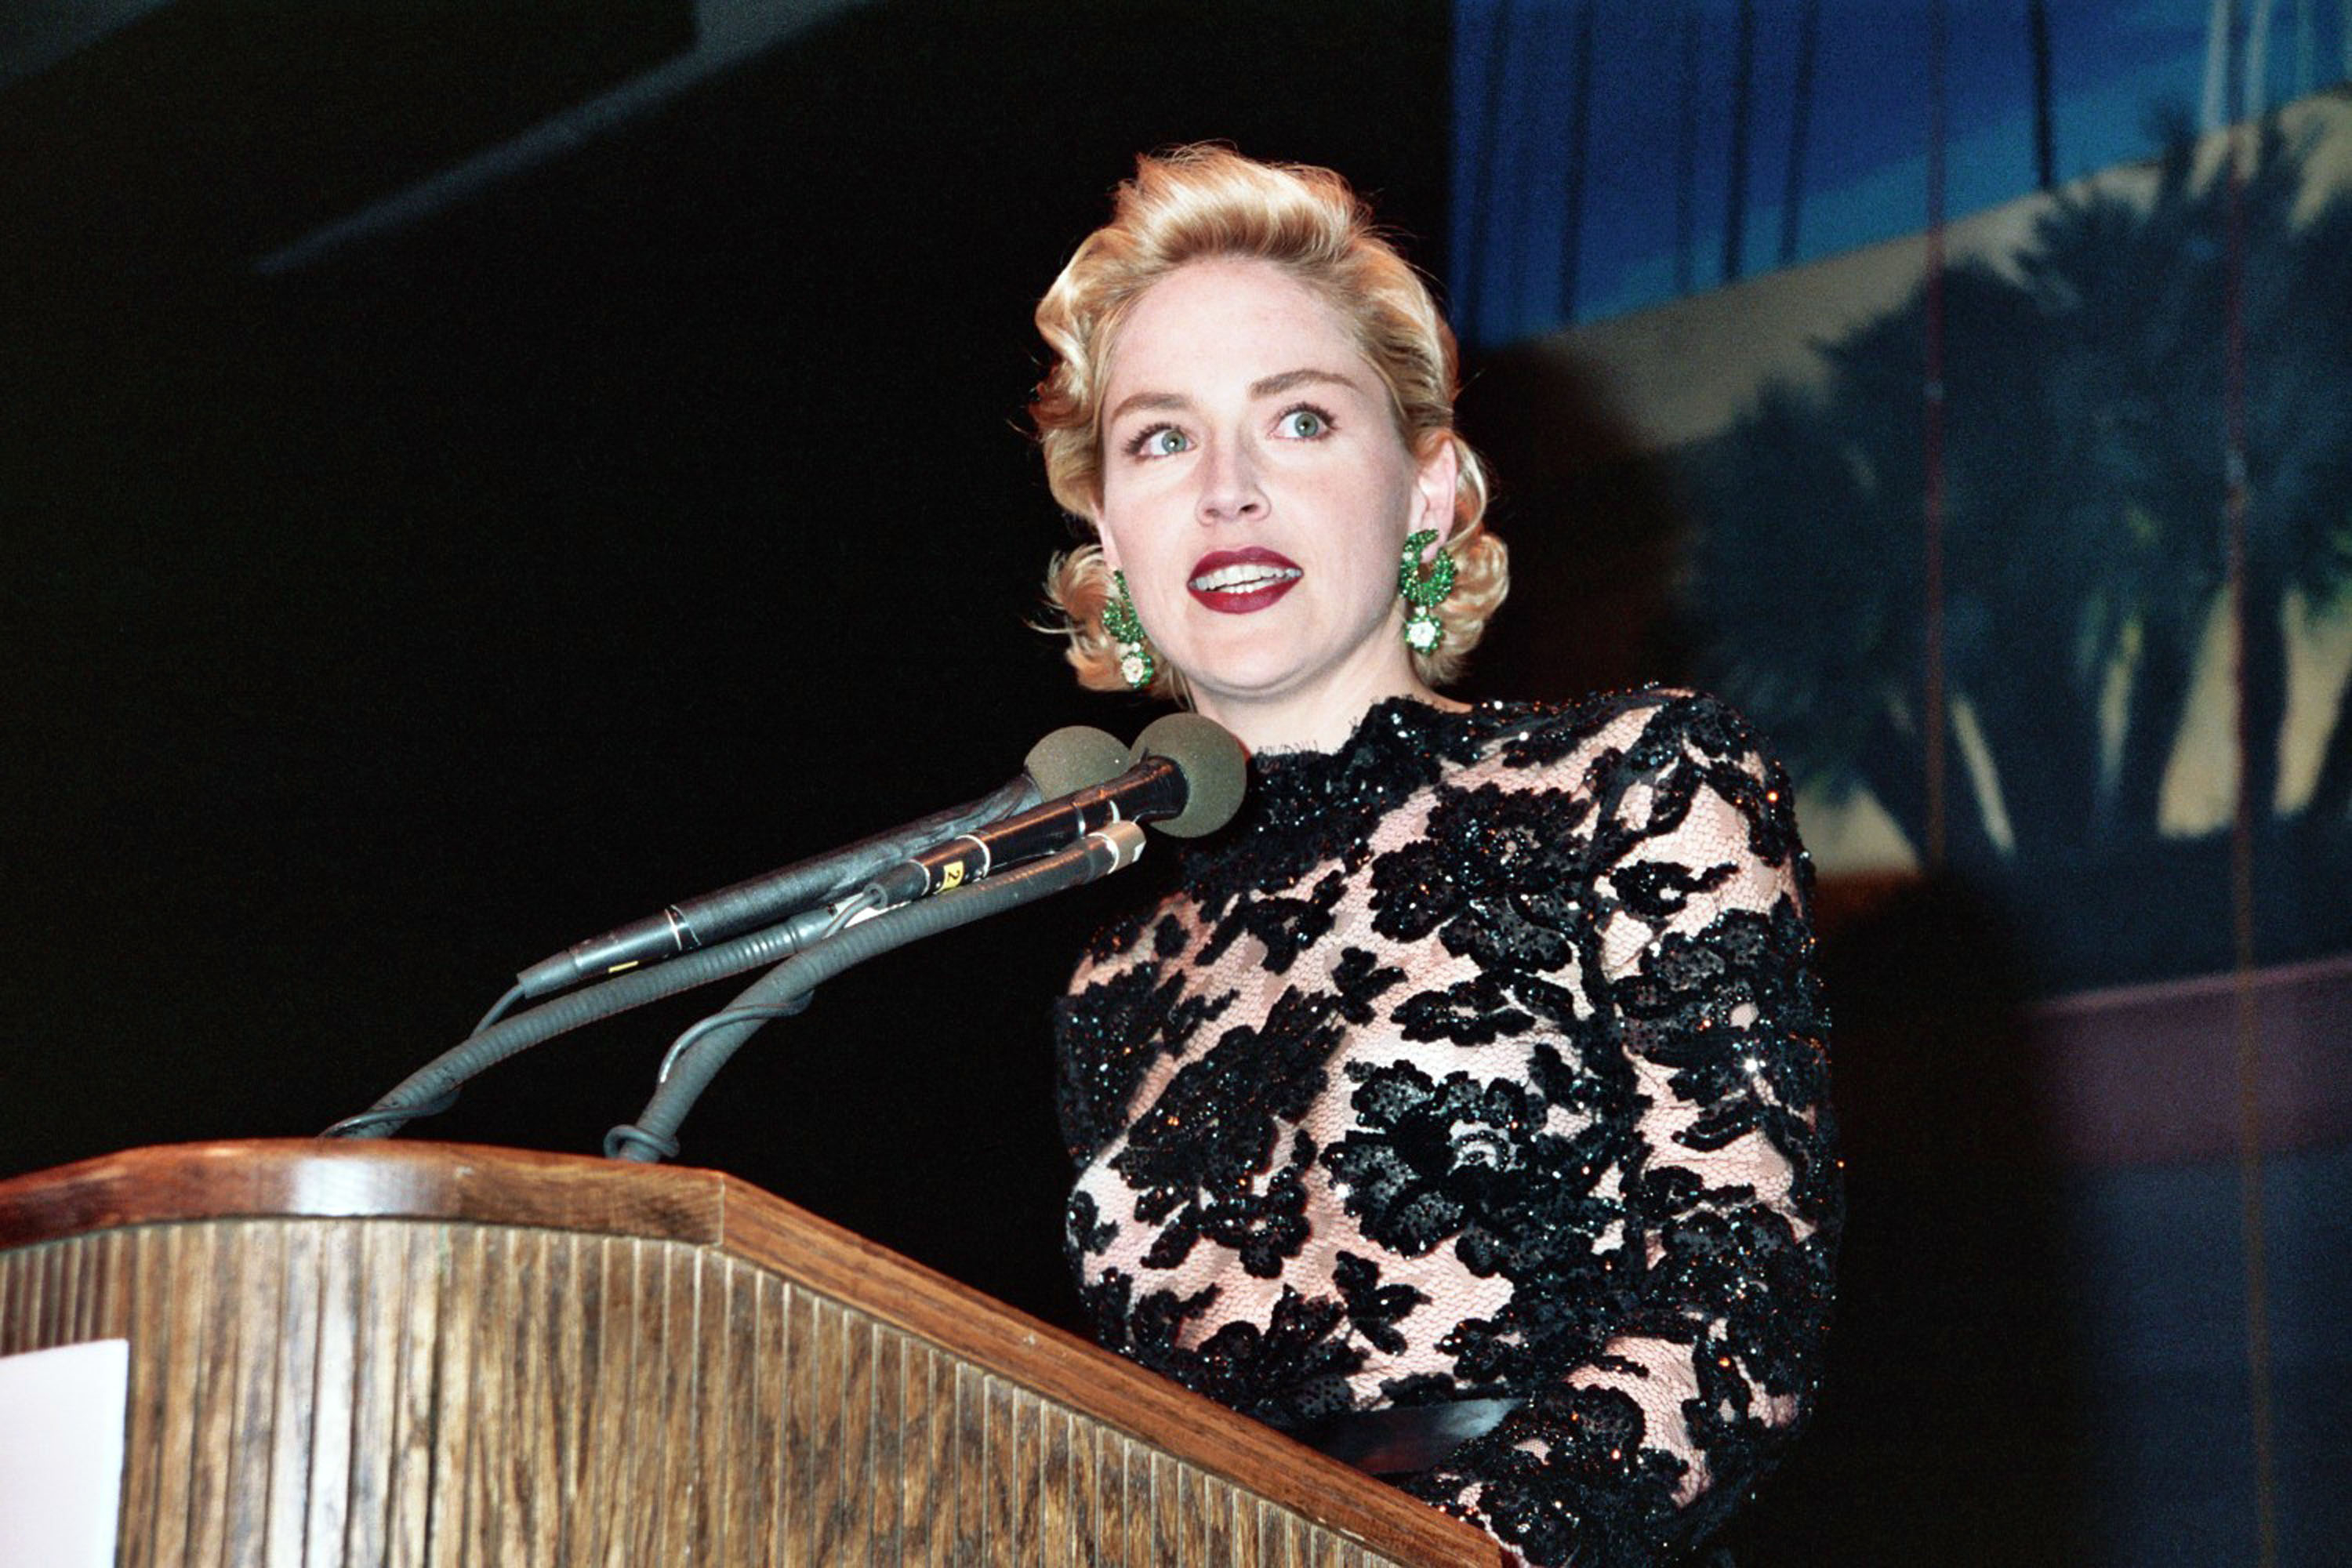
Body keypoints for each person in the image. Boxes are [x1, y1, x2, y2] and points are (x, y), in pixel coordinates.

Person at [1031, 146, 1838, 1568]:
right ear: (1108, 527)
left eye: (1296, 421)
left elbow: (1737, 1312)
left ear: (1426, 486)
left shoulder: (1637, 784)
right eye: (1161, 439)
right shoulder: (1116, 979)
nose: (1225, 489)